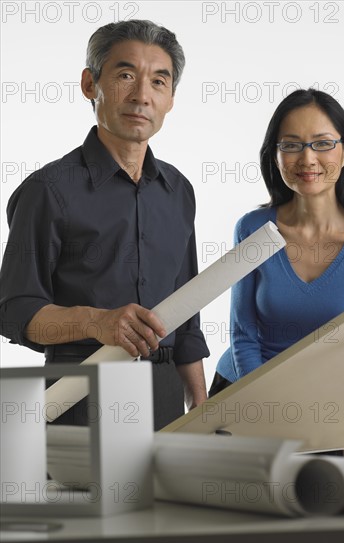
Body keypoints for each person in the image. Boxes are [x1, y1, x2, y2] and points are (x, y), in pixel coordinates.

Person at [0, 20, 209, 430]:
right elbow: (14, 310)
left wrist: (202, 411)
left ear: (170, 99)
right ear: (89, 84)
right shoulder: (49, 190)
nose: (141, 96)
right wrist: (97, 321)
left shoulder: (178, 191)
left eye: (158, 82)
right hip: (79, 397)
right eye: (125, 75)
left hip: (166, 400)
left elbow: (187, 323)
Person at [210, 88, 344, 397]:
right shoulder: (252, 229)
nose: (307, 158)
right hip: (245, 390)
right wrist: (265, 403)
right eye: (291, 145)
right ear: (275, 155)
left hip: (333, 400)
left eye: (322, 143)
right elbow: (243, 333)